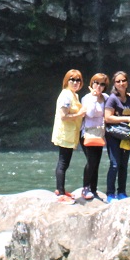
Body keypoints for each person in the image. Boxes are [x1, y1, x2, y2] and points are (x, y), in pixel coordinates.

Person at [51, 69, 86, 203]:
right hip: (65, 133)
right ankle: (60, 193)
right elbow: (63, 116)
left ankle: (61, 189)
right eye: (72, 79)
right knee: (63, 163)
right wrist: (80, 114)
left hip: (70, 134)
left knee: (64, 162)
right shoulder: (66, 95)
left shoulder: (73, 95)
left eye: (78, 80)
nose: (76, 82)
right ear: (67, 81)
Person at [105, 70, 130, 201]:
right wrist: (127, 118)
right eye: (118, 81)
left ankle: (122, 192)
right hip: (113, 135)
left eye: (123, 80)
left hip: (126, 135)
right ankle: (110, 194)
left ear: (127, 82)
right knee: (114, 164)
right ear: (115, 83)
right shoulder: (112, 99)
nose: (121, 83)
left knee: (124, 165)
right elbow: (107, 118)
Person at [80, 73, 108, 201]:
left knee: (96, 163)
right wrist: (94, 98)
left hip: (99, 134)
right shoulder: (86, 98)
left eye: (102, 84)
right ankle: (85, 188)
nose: (99, 86)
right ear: (91, 83)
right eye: (96, 83)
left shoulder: (106, 98)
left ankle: (94, 189)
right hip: (87, 133)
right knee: (91, 162)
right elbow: (90, 114)